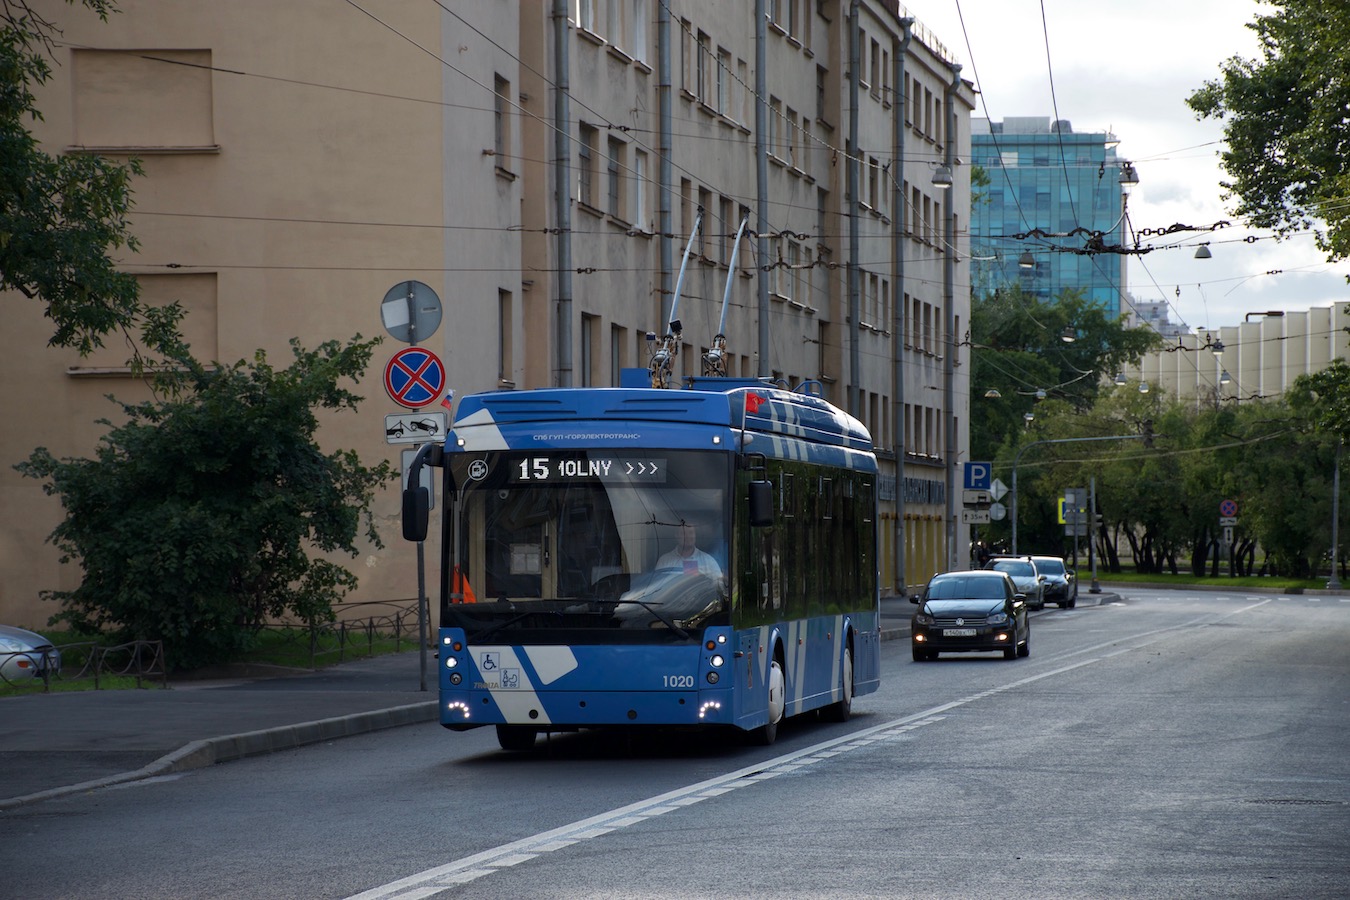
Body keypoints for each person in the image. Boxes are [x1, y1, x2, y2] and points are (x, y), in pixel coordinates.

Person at [655, 522, 723, 580]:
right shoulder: (664, 561)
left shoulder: (708, 561)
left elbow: (719, 586)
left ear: (695, 535)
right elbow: (656, 587)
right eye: (683, 533)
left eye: (691, 533)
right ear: (676, 536)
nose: (687, 536)